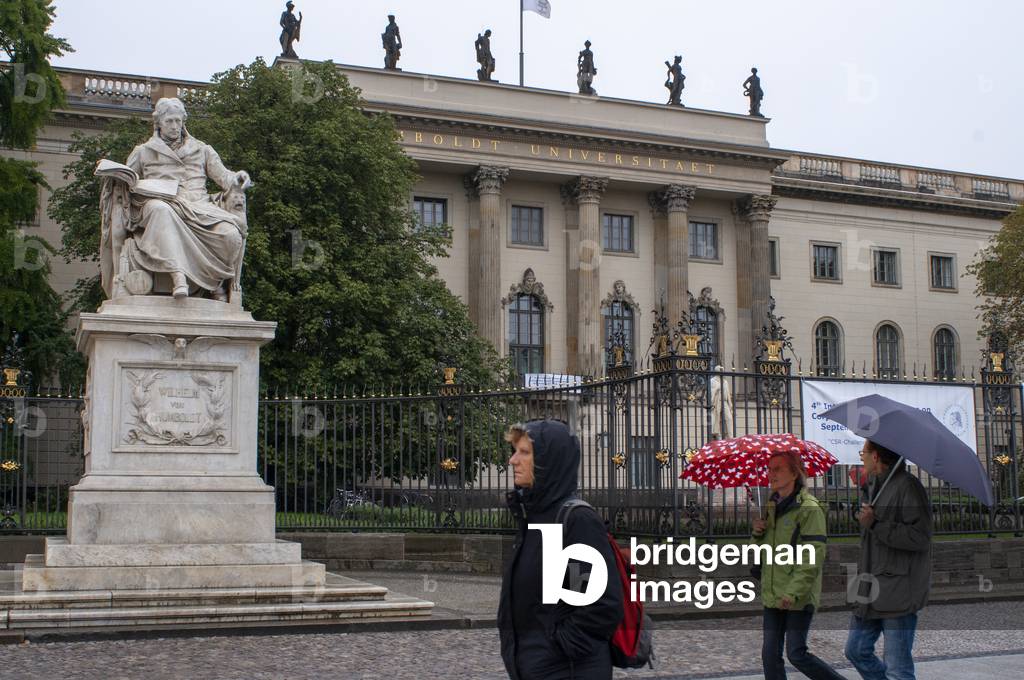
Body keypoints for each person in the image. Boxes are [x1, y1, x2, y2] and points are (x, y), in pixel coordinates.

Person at [498, 420, 623, 680]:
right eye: (515, 451)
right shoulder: (533, 517)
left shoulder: (575, 521)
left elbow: (598, 605)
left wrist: (557, 649)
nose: (513, 460)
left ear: (548, 461)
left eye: (524, 452)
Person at [117, 98, 249, 300]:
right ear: (158, 123)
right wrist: (120, 181)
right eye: (169, 121)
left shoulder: (202, 149)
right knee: (161, 211)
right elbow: (126, 181)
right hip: (160, 202)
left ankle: (215, 283)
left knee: (231, 234)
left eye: (178, 121)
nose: (174, 126)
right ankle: (178, 277)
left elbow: (224, 177)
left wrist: (238, 177)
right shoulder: (143, 151)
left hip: (198, 206)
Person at [844, 440, 932, 680]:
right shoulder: (873, 485)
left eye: (864, 452)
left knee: (897, 668)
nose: (861, 457)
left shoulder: (909, 487)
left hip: (898, 590)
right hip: (869, 587)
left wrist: (876, 523)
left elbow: (920, 537)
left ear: (876, 457)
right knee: (856, 650)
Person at [752, 450, 843, 680]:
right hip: (773, 591)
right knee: (769, 654)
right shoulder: (772, 505)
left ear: (794, 473)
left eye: (778, 469)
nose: (771, 474)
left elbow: (813, 555)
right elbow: (762, 552)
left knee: (797, 653)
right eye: (769, 469)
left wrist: (792, 593)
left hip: (797, 595)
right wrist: (757, 534)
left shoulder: (808, 508)